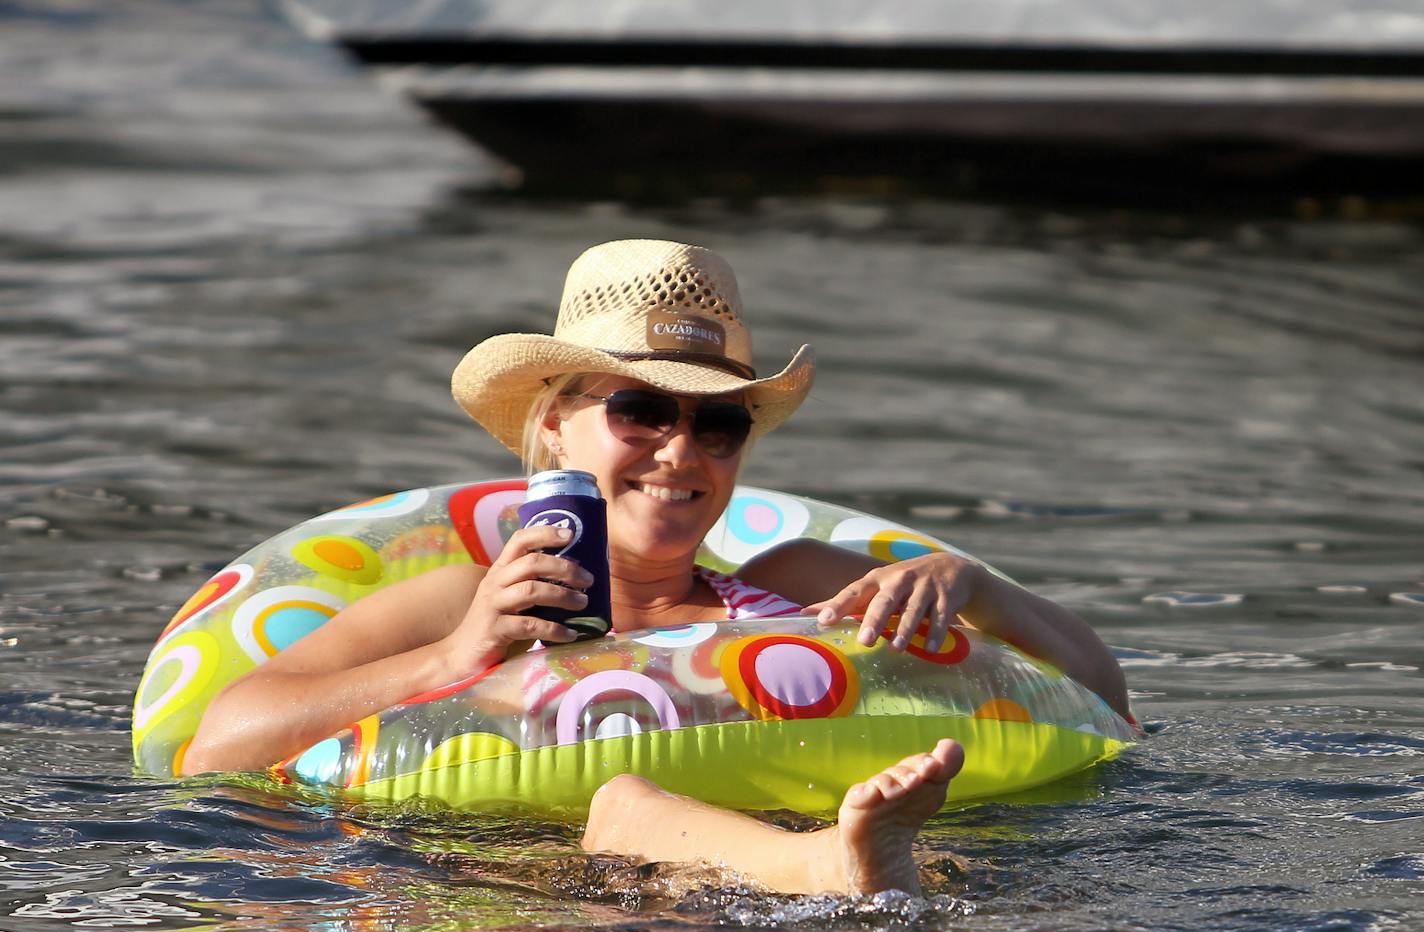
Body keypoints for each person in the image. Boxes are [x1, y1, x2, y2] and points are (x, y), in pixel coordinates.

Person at [183, 239, 1129, 897]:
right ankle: (834, 866)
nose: (682, 453)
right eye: (642, 411)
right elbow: (219, 744)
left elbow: (1100, 702)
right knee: (625, 803)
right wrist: (456, 656)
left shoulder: (797, 578)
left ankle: (850, 865)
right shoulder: (465, 597)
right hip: (552, 894)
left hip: (829, 886)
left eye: (720, 424)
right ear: (555, 422)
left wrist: (974, 584)